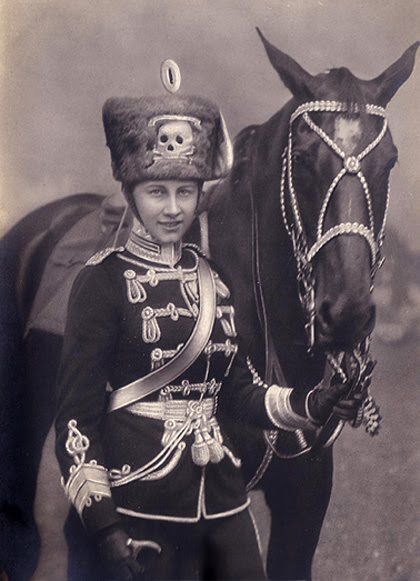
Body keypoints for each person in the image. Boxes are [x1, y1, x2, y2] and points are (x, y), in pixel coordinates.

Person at [55, 62, 361, 580]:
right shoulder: (102, 282)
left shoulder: (212, 278)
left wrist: (313, 403)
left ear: (200, 197)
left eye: (185, 193)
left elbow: (238, 389)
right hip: (137, 506)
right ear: (131, 194)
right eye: (157, 192)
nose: (173, 208)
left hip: (220, 504)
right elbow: (76, 421)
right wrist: (104, 526)